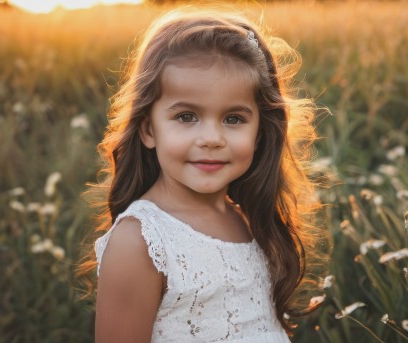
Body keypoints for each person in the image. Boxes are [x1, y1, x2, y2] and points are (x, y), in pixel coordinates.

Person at [79, 6, 327, 342]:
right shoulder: (142, 241)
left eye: (234, 119)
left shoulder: (249, 219)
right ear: (148, 129)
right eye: (186, 117)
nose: (211, 138)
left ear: (260, 131)